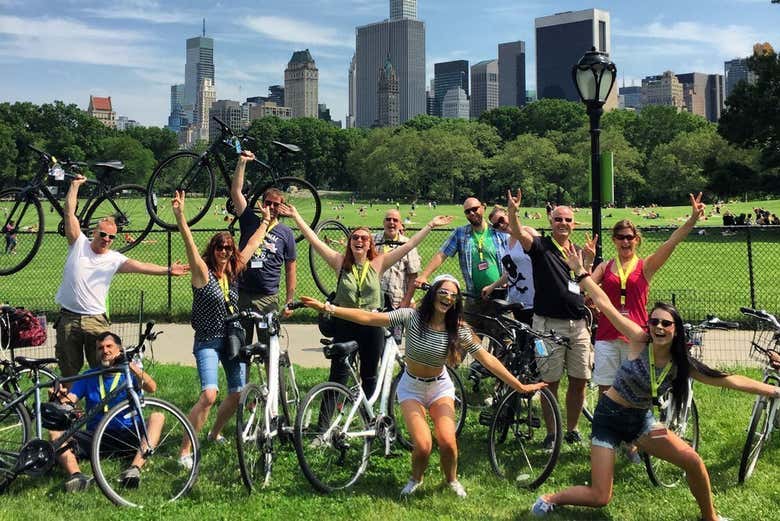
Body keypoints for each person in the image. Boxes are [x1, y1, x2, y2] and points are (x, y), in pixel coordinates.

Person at [531, 245, 780, 521]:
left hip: (641, 423)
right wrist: (580, 272)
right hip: (608, 420)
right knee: (601, 497)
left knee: (693, 461)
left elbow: (729, 380)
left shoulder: (681, 365)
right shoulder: (639, 340)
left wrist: (774, 390)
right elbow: (605, 304)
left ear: (676, 330)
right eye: (655, 322)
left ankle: (710, 517)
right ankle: (550, 498)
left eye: (666, 324)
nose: (659, 327)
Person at [299, 275, 546, 498]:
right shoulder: (411, 317)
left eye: (452, 295)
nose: (447, 297)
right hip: (412, 388)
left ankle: (452, 480)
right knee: (424, 445)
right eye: (443, 292)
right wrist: (328, 308)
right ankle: (416, 479)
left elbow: (487, 359)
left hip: (440, 388)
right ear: (433, 293)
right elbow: (370, 317)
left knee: (448, 442)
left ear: (456, 301)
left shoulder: (458, 329)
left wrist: (519, 386)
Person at [280, 204, 452, 399]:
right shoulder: (339, 262)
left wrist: (430, 225)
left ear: (370, 244)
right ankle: (325, 418)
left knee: (369, 377)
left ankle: (368, 415)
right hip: (345, 323)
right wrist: (296, 215)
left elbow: (409, 245)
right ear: (350, 243)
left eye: (364, 238)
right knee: (337, 377)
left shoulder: (378, 263)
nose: (359, 240)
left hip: (371, 325)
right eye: (355, 237)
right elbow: (314, 239)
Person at [54, 175, 188, 379]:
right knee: (68, 372)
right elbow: (69, 213)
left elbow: (142, 266)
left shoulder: (114, 259)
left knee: (105, 371)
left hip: (95, 320)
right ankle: (70, 400)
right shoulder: (78, 243)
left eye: (111, 237)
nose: (106, 239)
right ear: (94, 232)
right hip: (68, 319)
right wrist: (74, 186)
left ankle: (100, 401)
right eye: (103, 234)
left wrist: (168, 270)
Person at [173, 191, 271, 467]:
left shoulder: (234, 271)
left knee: (237, 393)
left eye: (228, 248)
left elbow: (252, 244)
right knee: (209, 395)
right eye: (220, 248)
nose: (224, 252)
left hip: (232, 338)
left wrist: (265, 221)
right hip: (207, 340)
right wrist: (180, 217)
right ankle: (185, 450)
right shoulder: (202, 273)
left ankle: (215, 433)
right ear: (213, 250)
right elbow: (190, 246)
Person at [588, 194, 705, 394]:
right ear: (614, 240)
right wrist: (587, 262)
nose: (625, 241)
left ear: (637, 240)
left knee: (634, 388)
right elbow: (586, 287)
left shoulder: (645, 266)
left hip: (635, 336)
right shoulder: (604, 267)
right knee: (606, 390)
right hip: (607, 335)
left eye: (629, 237)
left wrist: (692, 219)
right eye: (621, 237)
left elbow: (671, 242)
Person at [506, 190, 591, 447]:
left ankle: (572, 429)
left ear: (574, 224)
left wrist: (587, 262)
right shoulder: (540, 246)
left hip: (578, 325)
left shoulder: (577, 251)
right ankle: (552, 433)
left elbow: (583, 286)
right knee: (549, 382)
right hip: (548, 325)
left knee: (579, 380)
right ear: (550, 222)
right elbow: (517, 232)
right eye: (558, 219)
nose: (563, 223)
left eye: (568, 220)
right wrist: (513, 212)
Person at [49, 331, 162, 492]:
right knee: (55, 432)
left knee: (157, 417)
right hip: (97, 437)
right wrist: (57, 398)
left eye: (109, 346)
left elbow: (152, 387)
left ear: (119, 349)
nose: (105, 351)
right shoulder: (89, 375)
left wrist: (130, 365)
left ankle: (134, 469)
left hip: (129, 433)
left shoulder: (130, 374)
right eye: (100, 348)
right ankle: (76, 476)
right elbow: (69, 401)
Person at [416, 197, 509, 340]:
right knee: (466, 341)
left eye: (475, 209)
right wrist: (424, 275)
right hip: (474, 298)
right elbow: (442, 254)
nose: (472, 213)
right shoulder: (460, 233)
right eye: (467, 211)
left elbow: (516, 251)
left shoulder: (497, 231)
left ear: (483, 208)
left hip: (500, 296)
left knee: (504, 342)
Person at [230, 150, 297, 344]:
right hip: (243, 293)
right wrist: (242, 163)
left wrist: (289, 300)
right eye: (268, 203)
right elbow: (236, 193)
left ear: (282, 207)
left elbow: (290, 268)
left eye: (276, 204)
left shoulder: (286, 232)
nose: (272, 207)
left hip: (268, 297)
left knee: (269, 348)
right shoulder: (250, 221)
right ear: (262, 204)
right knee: (240, 347)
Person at [482, 205, 538, 325]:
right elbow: (510, 273)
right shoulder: (507, 243)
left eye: (501, 220)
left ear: (509, 214)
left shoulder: (528, 232)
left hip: (535, 301)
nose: (501, 225)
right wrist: (492, 287)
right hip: (516, 301)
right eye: (496, 225)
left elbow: (546, 259)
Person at [373, 209, 422, 311]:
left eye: (395, 220)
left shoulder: (408, 244)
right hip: (372, 299)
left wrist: (407, 300)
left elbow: (413, 276)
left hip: (396, 301)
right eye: (388, 219)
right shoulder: (372, 240)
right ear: (383, 222)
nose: (391, 222)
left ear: (400, 224)